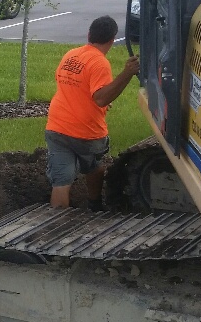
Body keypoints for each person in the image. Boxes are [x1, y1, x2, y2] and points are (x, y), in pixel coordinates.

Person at [44, 15, 139, 209]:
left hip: (56, 127)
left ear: (89, 34)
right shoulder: (99, 63)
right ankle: (95, 204)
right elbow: (101, 98)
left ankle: (55, 224)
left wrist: (99, 103)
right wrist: (127, 73)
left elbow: (72, 88)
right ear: (113, 40)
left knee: (61, 181)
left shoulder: (71, 54)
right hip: (86, 132)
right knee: (95, 166)